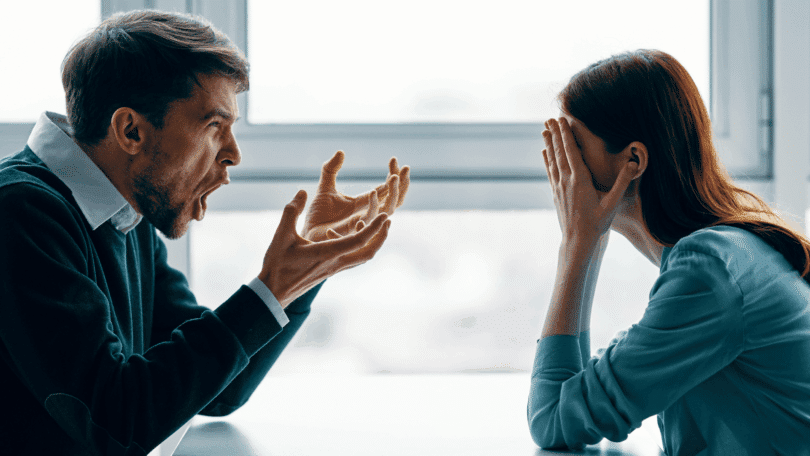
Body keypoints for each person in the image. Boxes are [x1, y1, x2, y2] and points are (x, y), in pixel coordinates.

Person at [0, 10, 410, 455]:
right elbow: (116, 421)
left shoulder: (123, 212)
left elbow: (220, 390)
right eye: (214, 126)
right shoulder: (21, 213)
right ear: (130, 130)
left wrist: (306, 267)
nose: (233, 154)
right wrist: (273, 287)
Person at [527, 49, 810, 455]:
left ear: (634, 160)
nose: (561, 169)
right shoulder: (728, 253)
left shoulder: (710, 272)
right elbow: (579, 397)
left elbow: (553, 421)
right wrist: (588, 244)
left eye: (572, 144)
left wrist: (577, 245)